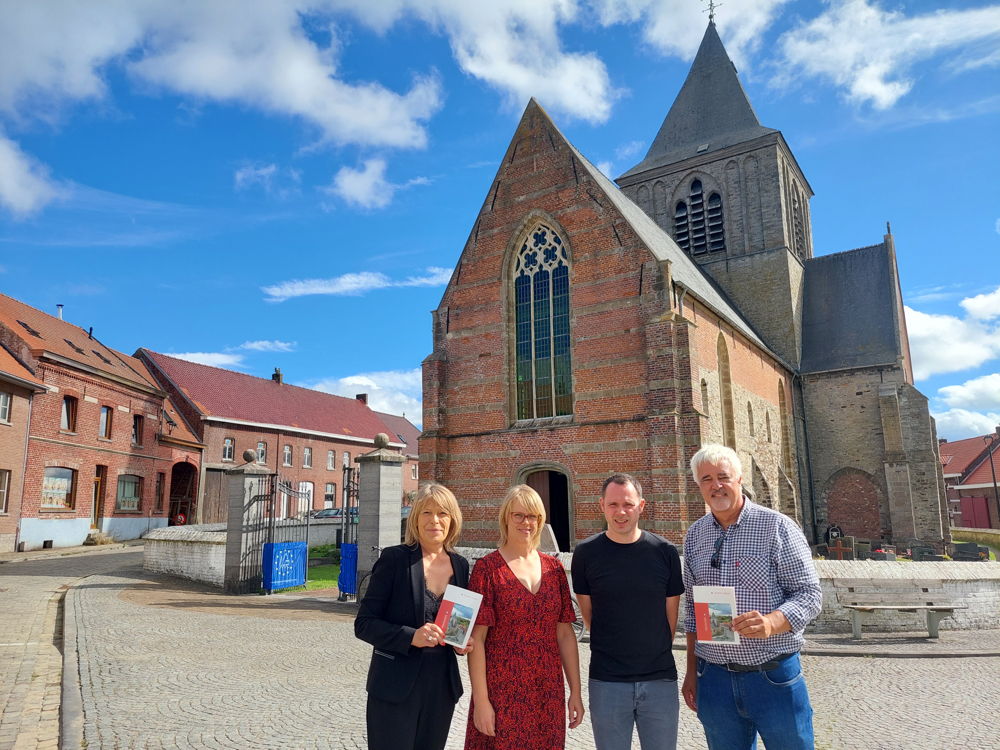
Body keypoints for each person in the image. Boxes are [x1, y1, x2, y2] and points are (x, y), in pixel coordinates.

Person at [682, 444, 823, 750]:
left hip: (772, 677)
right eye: (706, 479)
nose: (716, 485)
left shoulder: (776, 526)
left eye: (723, 476)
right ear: (698, 485)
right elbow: (694, 612)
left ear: (739, 478)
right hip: (715, 678)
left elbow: (810, 594)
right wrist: (692, 673)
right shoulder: (695, 535)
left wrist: (773, 622)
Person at [464, 485, 584, 749]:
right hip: (502, 690)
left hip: (547, 690)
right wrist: (482, 701)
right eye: (518, 515)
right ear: (506, 517)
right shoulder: (487, 570)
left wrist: (575, 691)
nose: (526, 522)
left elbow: (565, 634)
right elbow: (477, 641)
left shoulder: (554, 569)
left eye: (533, 516)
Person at [571, 473, 685, 749]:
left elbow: (670, 618)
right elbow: (589, 616)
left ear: (641, 506)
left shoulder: (665, 552)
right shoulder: (586, 554)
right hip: (607, 682)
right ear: (601, 505)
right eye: (613, 504)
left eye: (628, 504)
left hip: (659, 680)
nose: (620, 512)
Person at [355, 483, 471, 750]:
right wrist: (411, 637)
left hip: (441, 688)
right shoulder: (395, 559)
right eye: (426, 513)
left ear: (452, 519)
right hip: (394, 685)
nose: (435, 520)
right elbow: (364, 624)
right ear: (415, 519)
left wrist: (462, 644)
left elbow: (455, 627)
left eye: (443, 513)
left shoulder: (460, 566)